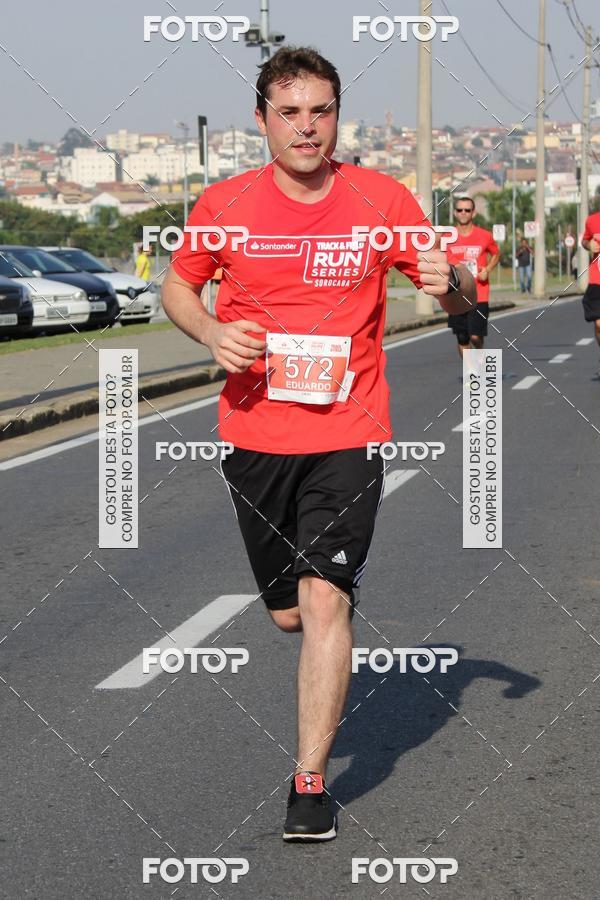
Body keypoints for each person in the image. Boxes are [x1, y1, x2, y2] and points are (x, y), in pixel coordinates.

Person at [161, 46, 475, 842]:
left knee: (325, 596)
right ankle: (304, 628)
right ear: (262, 119)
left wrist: (453, 282)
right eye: (291, 111)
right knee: (287, 615)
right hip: (255, 433)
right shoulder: (226, 203)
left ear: (339, 116)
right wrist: (210, 332)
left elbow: (454, 291)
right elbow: (178, 285)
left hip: (350, 428)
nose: (308, 127)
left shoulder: (380, 198)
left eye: (322, 110)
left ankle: (309, 784)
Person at [446, 196, 500, 358]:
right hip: (455, 295)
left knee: (475, 337)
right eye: (459, 210)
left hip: (479, 294)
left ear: (473, 213)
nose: (463, 213)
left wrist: (488, 269)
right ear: (455, 213)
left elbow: (496, 254)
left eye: (467, 210)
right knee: (462, 338)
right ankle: (471, 374)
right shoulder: (448, 237)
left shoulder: (484, 235)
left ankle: (481, 355)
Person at [580, 210, 600, 378]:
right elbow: (584, 241)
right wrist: (589, 245)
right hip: (597, 280)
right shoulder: (592, 220)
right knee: (599, 324)